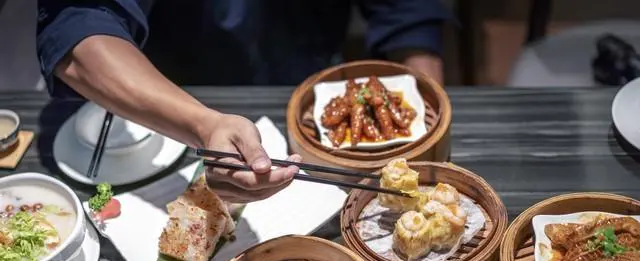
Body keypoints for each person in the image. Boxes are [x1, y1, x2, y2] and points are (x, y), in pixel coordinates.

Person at [36, 0, 452, 203]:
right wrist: (202, 124)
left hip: (307, 95)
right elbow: (78, 26)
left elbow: (408, 13)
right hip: (162, 100)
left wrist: (429, 136)